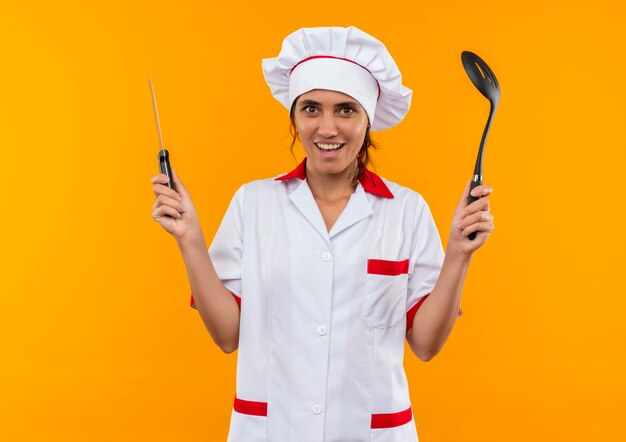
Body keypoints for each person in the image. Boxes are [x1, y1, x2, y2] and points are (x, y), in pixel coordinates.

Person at [150, 26, 494, 442]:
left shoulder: (406, 211)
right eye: (311, 109)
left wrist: (459, 253)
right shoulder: (253, 203)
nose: (327, 128)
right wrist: (189, 237)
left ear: (369, 120)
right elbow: (227, 336)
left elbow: (425, 344)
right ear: (294, 117)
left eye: (346, 110)